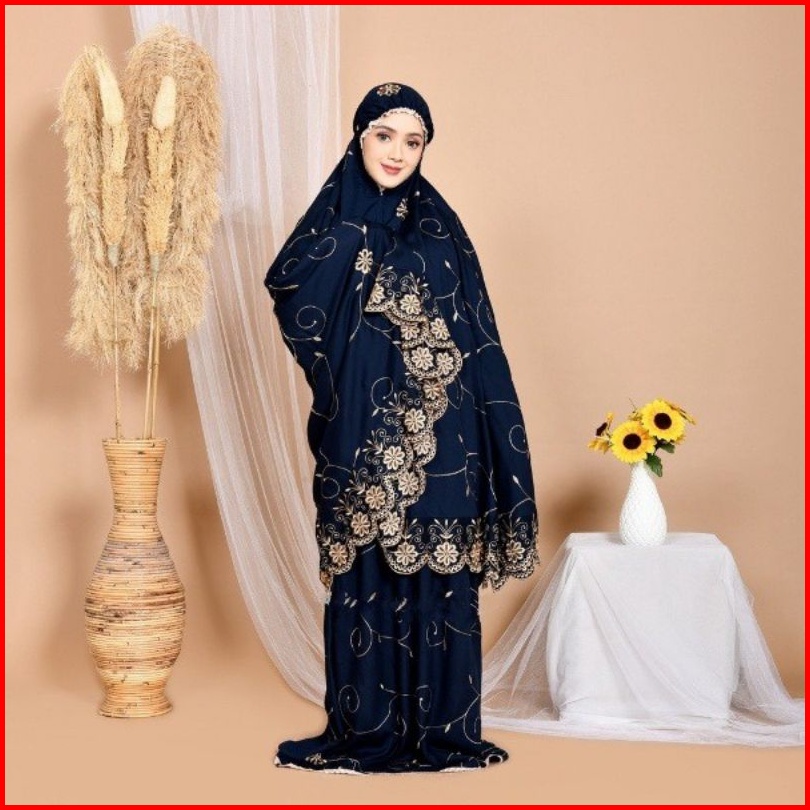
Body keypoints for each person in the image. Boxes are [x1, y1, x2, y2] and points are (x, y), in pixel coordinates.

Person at [264, 82, 539, 774]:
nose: (397, 152)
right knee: (367, 563)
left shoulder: (443, 229)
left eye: (412, 141)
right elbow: (289, 288)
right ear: (359, 137)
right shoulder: (333, 222)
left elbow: (475, 336)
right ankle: (368, 727)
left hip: (447, 436)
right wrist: (358, 241)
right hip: (360, 427)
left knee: (438, 569)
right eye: (384, 135)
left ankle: (444, 729)